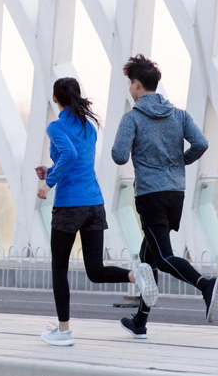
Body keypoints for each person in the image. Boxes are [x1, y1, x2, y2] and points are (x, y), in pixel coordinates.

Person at [34, 77, 158, 347]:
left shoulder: (55, 127)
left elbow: (69, 156)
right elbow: (74, 161)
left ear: (55, 99)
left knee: (59, 269)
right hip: (94, 203)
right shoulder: (89, 126)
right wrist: (51, 170)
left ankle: (64, 332)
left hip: (69, 206)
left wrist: (48, 183)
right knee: (95, 269)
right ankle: (135, 276)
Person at [111, 54, 218, 340]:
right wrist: (178, 162)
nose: (128, 88)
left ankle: (205, 285)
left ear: (137, 84)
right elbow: (202, 143)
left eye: (129, 83)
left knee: (162, 256)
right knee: (147, 256)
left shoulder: (132, 118)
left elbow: (119, 156)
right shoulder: (179, 115)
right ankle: (140, 321)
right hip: (175, 193)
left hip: (150, 194)